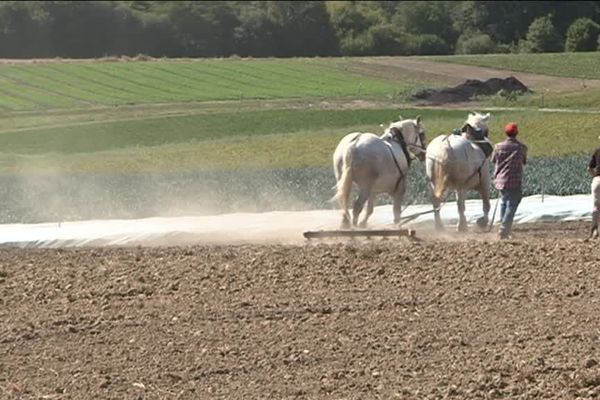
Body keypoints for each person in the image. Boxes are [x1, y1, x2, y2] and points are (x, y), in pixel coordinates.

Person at [491, 122, 528, 239]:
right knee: (512, 204)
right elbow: (524, 161)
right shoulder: (521, 147)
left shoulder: (497, 147)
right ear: (516, 133)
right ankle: (504, 229)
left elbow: (493, 160)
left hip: (500, 180)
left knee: (504, 202)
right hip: (514, 180)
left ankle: (504, 227)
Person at [587, 138, 600, 238]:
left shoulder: (597, 152)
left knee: (596, 205)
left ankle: (595, 229)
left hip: (597, 180)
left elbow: (589, 168)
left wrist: (595, 176)